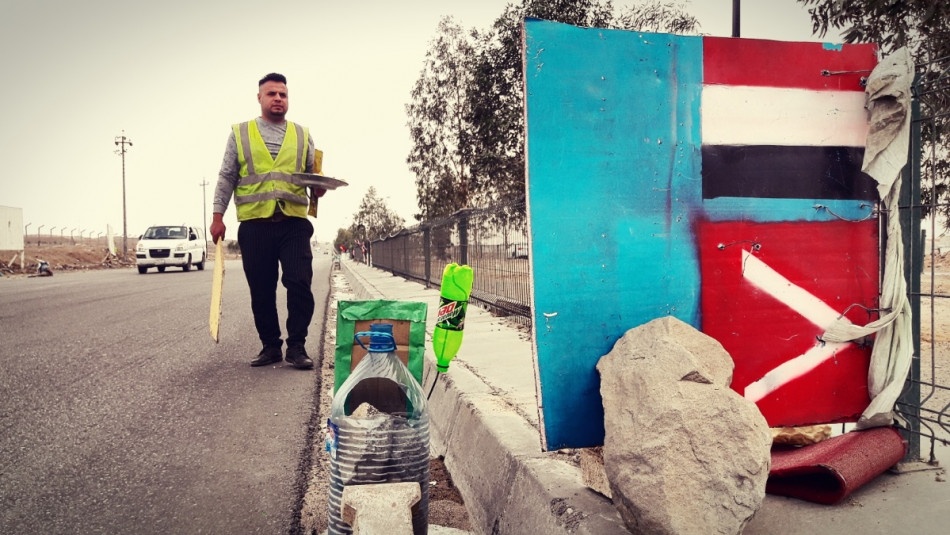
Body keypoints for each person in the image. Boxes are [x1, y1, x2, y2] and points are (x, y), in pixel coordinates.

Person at [210, 72, 325, 370]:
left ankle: (297, 346)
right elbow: (227, 175)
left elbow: (313, 178)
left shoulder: (303, 134)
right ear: (259, 98)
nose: (278, 99)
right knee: (261, 288)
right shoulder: (240, 133)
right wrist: (217, 216)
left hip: (293, 224)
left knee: (299, 282)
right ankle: (270, 346)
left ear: (288, 99)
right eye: (272, 94)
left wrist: (320, 188)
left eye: (283, 94)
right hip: (255, 225)